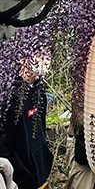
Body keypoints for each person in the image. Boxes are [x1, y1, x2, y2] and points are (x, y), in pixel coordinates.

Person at [0, 54, 53, 189]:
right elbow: (4, 144)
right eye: (41, 55)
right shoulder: (9, 97)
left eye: (49, 54)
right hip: (21, 178)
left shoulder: (39, 91)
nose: (46, 60)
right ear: (23, 59)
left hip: (40, 171)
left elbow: (41, 130)